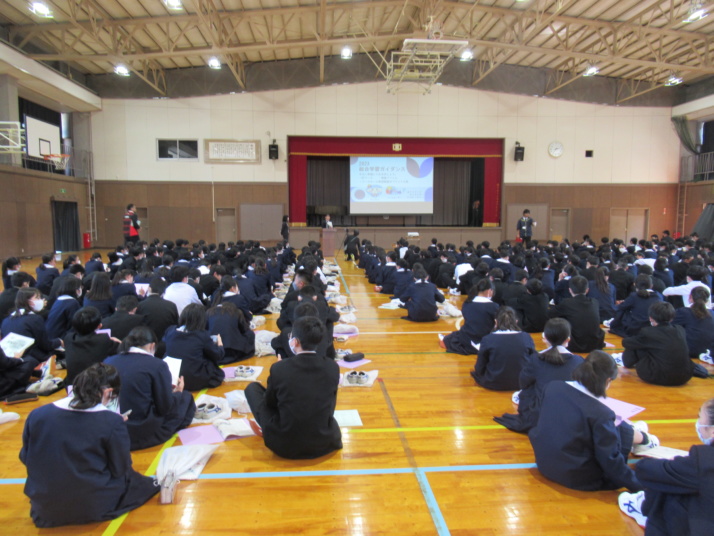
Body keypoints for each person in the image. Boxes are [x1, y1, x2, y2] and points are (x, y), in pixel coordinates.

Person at [20, 363, 159, 527]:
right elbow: (120, 468)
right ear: (108, 392)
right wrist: (116, 429)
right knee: (144, 483)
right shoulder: (110, 421)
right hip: (92, 503)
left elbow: (25, 457)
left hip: (45, 508)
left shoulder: (37, 414)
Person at [529, 351, 655, 492]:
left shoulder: (553, 387)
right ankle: (645, 439)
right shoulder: (600, 413)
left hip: (545, 463)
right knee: (621, 428)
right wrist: (641, 488)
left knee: (616, 426)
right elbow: (610, 461)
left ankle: (642, 437)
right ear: (608, 381)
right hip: (578, 476)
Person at [245, 316, 342, 459]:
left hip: (285, 444)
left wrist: (279, 373)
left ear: (295, 341)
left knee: (252, 389)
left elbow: (270, 403)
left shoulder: (280, 368)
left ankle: (268, 430)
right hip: (324, 440)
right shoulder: (332, 366)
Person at [618, 398, 714, 535]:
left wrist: (668, 463)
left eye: (700, 417)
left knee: (669, 487)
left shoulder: (704, 461)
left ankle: (642, 506)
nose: (697, 423)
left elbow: (650, 471)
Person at [105, 327, 195, 450]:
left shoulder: (109, 361)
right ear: (152, 345)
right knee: (185, 397)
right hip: (140, 429)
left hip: (112, 427)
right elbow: (164, 407)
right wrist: (177, 393)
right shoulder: (157, 365)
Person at [494, 318, 584, 433]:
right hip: (569, 413)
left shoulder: (536, 359)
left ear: (545, 338)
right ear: (568, 339)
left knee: (530, 388)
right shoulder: (579, 361)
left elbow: (523, 382)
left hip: (543, 414)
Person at [621, 301, 694, 386]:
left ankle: (628, 364)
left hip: (658, 376)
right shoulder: (680, 329)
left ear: (651, 318)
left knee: (635, 344)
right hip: (685, 376)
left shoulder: (648, 332)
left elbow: (626, 343)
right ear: (671, 318)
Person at [471, 306, 536, 391]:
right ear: (516, 321)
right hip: (522, 382)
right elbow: (533, 361)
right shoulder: (526, 337)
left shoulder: (488, 339)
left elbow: (480, 366)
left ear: (496, 322)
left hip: (493, 382)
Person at [163, 303, 225, 391]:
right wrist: (220, 344)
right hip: (195, 378)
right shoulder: (201, 335)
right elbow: (218, 355)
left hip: (173, 378)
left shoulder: (170, 331)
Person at [547, 275, 605, 353]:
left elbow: (550, 314)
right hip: (596, 344)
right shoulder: (595, 302)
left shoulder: (567, 303)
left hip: (574, 345)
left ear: (570, 290)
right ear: (587, 290)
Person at [1, 288, 62, 362]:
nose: (41, 300)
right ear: (28, 302)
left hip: (10, 357)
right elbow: (45, 345)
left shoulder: (7, 319)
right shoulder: (34, 319)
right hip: (32, 358)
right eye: (37, 298)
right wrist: (59, 341)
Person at [64, 306, 121, 385]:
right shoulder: (104, 340)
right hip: (95, 386)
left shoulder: (68, 339)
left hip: (73, 384)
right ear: (99, 326)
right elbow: (122, 349)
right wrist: (119, 342)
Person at [442, 278, 499, 354]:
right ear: (489, 291)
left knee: (451, 337)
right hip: (484, 339)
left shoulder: (467, 303)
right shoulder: (494, 306)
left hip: (467, 339)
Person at [609, 274, 662, 338]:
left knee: (622, 310)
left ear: (635, 285)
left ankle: (614, 325)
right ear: (651, 285)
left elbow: (620, 308)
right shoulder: (658, 296)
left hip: (635, 329)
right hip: (651, 328)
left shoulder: (634, 296)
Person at [673, 286, 714, 358]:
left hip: (689, 353)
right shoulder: (712, 314)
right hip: (709, 353)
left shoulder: (683, 312)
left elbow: (670, 327)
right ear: (707, 300)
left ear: (690, 297)